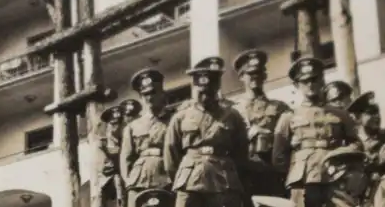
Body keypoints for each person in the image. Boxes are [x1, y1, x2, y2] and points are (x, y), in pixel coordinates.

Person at [273, 57, 362, 207]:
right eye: (305, 81)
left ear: (322, 80)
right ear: (296, 85)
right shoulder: (288, 117)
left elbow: (356, 143)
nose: (310, 84)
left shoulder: (340, 114)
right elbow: (278, 156)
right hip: (303, 180)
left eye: (314, 79)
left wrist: (341, 155)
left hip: (335, 175)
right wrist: (294, 171)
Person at [163, 56, 250, 207]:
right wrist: (182, 175)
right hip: (188, 181)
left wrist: (231, 173)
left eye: (209, 92)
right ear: (195, 87)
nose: (204, 96)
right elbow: (171, 155)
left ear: (216, 88)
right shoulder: (181, 117)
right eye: (201, 92)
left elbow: (241, 152)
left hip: (224, 181)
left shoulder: (232, 115)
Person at [232, 49, 290, 198]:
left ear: (264, 75)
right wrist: (249, 134)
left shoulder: (279, 107)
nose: (255, 78)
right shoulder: (232, 110)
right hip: (244, 172)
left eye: (258, 73)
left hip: (272, 171)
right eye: (250, 74)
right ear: (241, 77)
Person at [120, 68, 174, 207]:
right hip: (139, 180)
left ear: (162, 93)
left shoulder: (174, 120)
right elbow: (126, 158)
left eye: (153, 93)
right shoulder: (132, 127)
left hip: (166, 176)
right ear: (141, 97)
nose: (149, 98)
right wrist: (129, 180)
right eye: (145, 95)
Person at [346, 91, 385, 205]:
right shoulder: (351, 144)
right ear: (357, 118)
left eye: (377, 112)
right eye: (370, 113)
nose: (377, 117)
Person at [99, 105, 126, 207]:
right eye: (113, 124)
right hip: (110, 186)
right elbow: (106, 168)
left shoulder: (128, 141)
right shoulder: (102, 145)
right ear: (108, 126)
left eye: (119, 123)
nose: (116, 128)